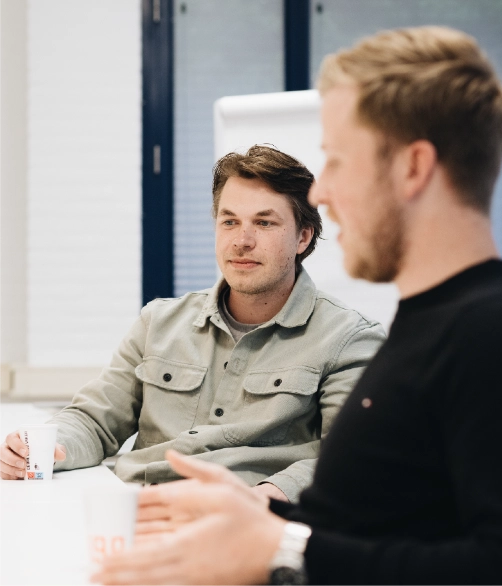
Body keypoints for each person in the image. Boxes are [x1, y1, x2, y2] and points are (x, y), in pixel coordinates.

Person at [94, 26, 502, 586]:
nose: (321, 193)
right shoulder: (428, 326)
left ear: (414, 167)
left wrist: (282, 545)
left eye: (338, 161)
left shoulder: (498, 337)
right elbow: (377, 528)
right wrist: (263, 520)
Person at [0, 145, 385, 501]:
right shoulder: (159, 322)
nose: (242, 241)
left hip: (243, 525)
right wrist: (39, 448)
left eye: (264, 223)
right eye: (229, 221)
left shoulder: (349, 339)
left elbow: (352, 459)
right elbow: (94, 421)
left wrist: (268, 496)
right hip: (136, 508)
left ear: (303, 237)